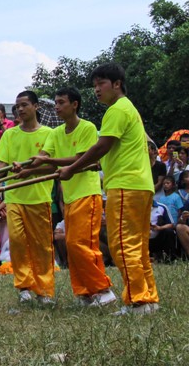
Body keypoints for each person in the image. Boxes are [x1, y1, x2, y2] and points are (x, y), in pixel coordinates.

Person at [57, 63, 158, 315]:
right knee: (138, 246)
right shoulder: (128, 109)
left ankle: (138, 301)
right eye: (94, 85)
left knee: (123, 244)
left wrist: (72, 168)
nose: (96, 90)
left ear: (117, 84)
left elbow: (101, 146)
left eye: (101, 84)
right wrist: (90, 167)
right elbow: (113, 152)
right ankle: (148, 297)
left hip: (125, 185)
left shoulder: (117, 110)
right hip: (139, 185)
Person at [21, 87, 115, 306]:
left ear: (75, 104)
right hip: (70, 197)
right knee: (72, 245)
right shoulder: (55, 133)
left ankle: (103, 290)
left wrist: (47, 161)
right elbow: (44, 158)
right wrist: (27, 168)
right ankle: (84, 293)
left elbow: (81, 159)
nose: (57, 106)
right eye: (55, 102)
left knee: (82, 244)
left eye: (61, 102)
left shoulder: (88, 128)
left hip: (88, 194)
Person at [0, 91, 54, 304]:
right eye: (17, 106)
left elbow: (52, 164)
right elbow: (2, 163)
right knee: (17, 243)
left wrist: (31, 168)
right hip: (14, 197)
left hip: (39, 197)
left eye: (25, 105)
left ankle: (45, 290)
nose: (20, 109)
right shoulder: (10, 134)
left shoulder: (50, 134)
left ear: (36, 106)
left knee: (42, 246)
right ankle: (24, 287)